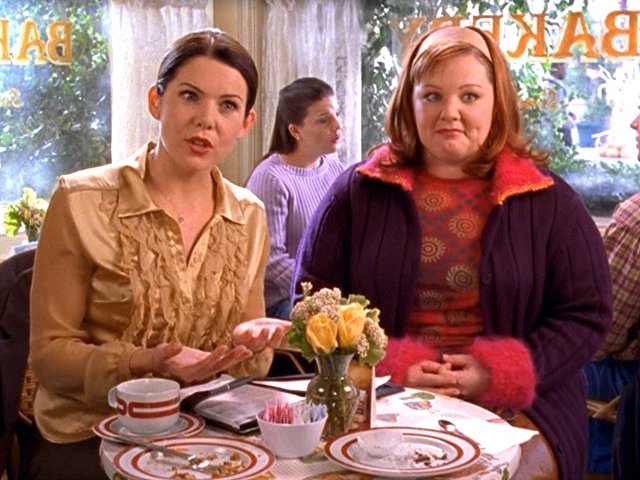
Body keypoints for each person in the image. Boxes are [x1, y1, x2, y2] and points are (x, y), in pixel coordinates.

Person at [293, 26, 612, 479]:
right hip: (380, 401)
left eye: (469, 96)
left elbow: (587, 316)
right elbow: (311, 306)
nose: (451, 113)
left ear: (497, 102)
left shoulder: (551, 200)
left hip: (524, 409)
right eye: (433, 96)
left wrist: (495, 373)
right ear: (409, 102)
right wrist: (387, 365)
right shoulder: (355, 191)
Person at [27, 28, 287, 480]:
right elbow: (48, 358)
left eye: (227, 106)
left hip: (205, 435)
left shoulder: (249, 216)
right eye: (189, 96)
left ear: (246, 123)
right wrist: (142, 363)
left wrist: (252, 342)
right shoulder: (81, 200)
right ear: (156, 101)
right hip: (89, 436)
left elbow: (251, 364)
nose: (206, 120)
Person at [245, 77, 343, 320]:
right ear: (295, 130)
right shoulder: (271, 178)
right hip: (282, 300)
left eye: (337, 114)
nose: (337, 125)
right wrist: (322, 290)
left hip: (328, 292)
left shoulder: (335, 169)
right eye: (323, 120)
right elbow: (271, 260)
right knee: (340, 326)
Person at [583, 112, 640, 475]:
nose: (634, 123)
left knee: (539, 360)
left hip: (629, 379)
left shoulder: (636, 218)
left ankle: (590, 468)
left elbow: (601, 333)